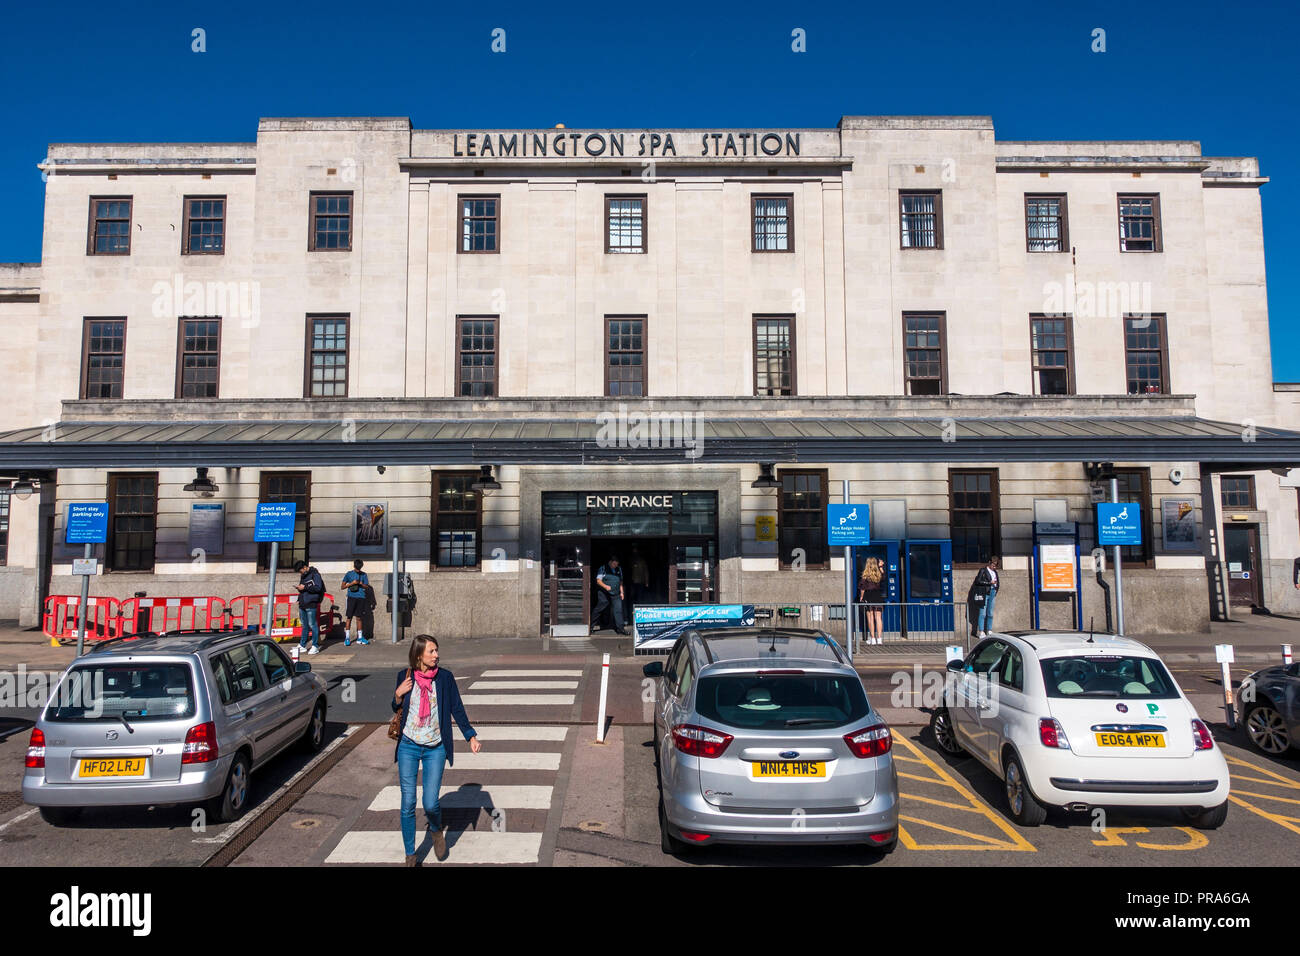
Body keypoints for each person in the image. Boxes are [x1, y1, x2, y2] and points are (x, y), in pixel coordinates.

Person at [392, 634, 481, 866]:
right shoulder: (405, 676)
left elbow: (456, 708)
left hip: (435, 748)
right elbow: (396, 707)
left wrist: (470, 735)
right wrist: (398, 694)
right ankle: (410, 854)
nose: (436, 655)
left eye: (437, 651)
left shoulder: (445, 678)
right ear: (419, 654)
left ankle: (435, 828)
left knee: (431, 803)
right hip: (408, 746)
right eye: (431, 651)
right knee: (408, 802)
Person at [293, 559, 326, 655]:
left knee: (313, 624)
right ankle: (302, 645)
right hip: (303, 602)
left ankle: (315, 645)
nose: (300, 573)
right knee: (304, 625)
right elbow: (304, 588)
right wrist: (300, 588)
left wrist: (305, 587)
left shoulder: (315, 574)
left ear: (304, 567)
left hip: (311, 602)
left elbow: (318, 588)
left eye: (300, 570)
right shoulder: (303, 576)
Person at [591, 556, 628, 635]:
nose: (615, 566)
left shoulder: (619, 569)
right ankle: (590, 627)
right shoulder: (603, 568)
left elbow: (620, 581)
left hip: (616, 593)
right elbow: (598, 581)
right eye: (614, 564)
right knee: (599, 609)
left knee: (618, 610)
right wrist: (605, 586)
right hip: (604, 593)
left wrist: (622, 592)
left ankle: (620, 629)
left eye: (616, 564)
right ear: (610, 562)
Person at [966, 554, 1000, 638]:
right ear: (989, 563)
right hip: (984, 593)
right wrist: (989, 583)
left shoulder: (995, 572)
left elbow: (998, 582)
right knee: (982, 613)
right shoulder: (983, 570)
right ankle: (981, 631)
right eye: (993, 565)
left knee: (990, 613)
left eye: (996, 565)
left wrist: (995, 590)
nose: (994, 567)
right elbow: (978, 581)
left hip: (992, 592)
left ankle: (989, 630)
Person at [340, 559, 372, 646]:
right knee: (349, 617)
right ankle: (347, 638)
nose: (358, 570)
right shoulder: (349, 574)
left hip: (361, 597)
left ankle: (360, 637)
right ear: (354, 566)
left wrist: (361, 584)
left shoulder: (364, 574)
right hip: (351, 597)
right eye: (357, 568)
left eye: (359, 568)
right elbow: (342, 587)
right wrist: (351, 583)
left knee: (359, 618)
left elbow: (367, 587)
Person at [858, 555, 886, 646]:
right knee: (878, 618)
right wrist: (881, 567)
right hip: (878, 596)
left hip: (868, 596)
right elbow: (884, 577)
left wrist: (861, 597)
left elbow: (862, 588)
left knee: (870, 618)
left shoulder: (865, 575)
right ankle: (880, 639)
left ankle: (873, 639)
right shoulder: (879, 574)